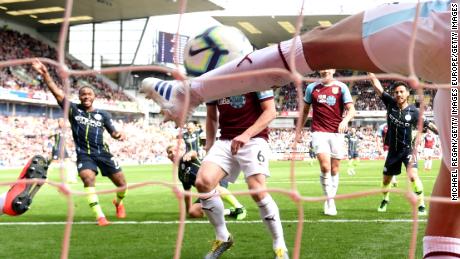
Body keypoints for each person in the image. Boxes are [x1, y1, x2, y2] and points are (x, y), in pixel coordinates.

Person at [141, 1, 455, 257]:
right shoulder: (314, 90)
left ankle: (186, 92)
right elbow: (216, 118)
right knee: (449, 210)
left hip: (447, 36)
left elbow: (277, 105)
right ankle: (229, 234)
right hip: (257, 138)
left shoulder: (444, 27)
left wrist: (343, 121)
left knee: (320, 40)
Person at [32, 59, 128, 226]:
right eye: (83, 94)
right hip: (85, 155)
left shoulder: (103, 115)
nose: (86, 97)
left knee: (122, 185)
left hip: (103, 153)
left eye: (89, 94)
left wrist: (118, 134)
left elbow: (112, 131)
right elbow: (57, 92)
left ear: (94, 97)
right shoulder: (73, 110)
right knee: (87, 179)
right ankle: (100, 217)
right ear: (79, 97)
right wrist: (46, 74)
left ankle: (118, 203)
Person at [195, 89, 288, 259]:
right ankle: (223, 237)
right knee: (203, 182)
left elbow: (270, 111)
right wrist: (209, 146)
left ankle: (279, 245)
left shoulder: (255, 74)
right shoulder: (214, 79)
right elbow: (212, 116)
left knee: (257, 190)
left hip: (254, 139)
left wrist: (246, 134)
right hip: (225, 141)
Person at [369, 74, 438, 216]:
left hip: (408, 151)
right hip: (393, 151)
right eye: (396, 92)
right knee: (386, 180)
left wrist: (442, 132)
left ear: (407, 94)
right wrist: (369, 72)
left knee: (413, 175)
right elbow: (378, 87)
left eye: (401, 92)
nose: (399, 94)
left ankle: (421, 204)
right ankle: (385, 199)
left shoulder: (414, 111)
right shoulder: (390, 103)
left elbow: (428, 124)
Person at [301, 69, 356, 215]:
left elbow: (352, 110)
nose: (325, 70)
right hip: (319, 132)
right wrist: (299, 129)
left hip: (337, 133)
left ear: (333, 70)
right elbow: (305, 111)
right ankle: (330, 202)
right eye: (322, 67)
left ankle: (330, 199)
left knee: (335, 169)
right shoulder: (311, 88)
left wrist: (345, 120)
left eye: (328, 67)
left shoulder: (341, 87)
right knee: (325, 167)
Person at [166, 145, 246, 219]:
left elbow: (194, 153)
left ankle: (239, 207)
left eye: (175, 150)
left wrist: (189, 154)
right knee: (193, 212)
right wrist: (188, 211)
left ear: (181, 151)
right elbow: (187, 194)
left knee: (214, 186)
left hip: (217, 180)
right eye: (170, 152)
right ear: (168, 156)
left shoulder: (186, 158)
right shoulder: (181, 174)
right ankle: (229, 212)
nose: (173, 153)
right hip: (205, 191)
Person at [49, 118, 78, 184]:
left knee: (70, 163)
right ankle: (44, 177)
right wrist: (53, 133)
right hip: (57, 148)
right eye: (61, 122)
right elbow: (49, 136)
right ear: (58, 122)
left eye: (63, 122)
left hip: (64, 148)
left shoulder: (64, 129)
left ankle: (71, 178)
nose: (62, 123)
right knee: (53, 162)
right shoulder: (56, 129)